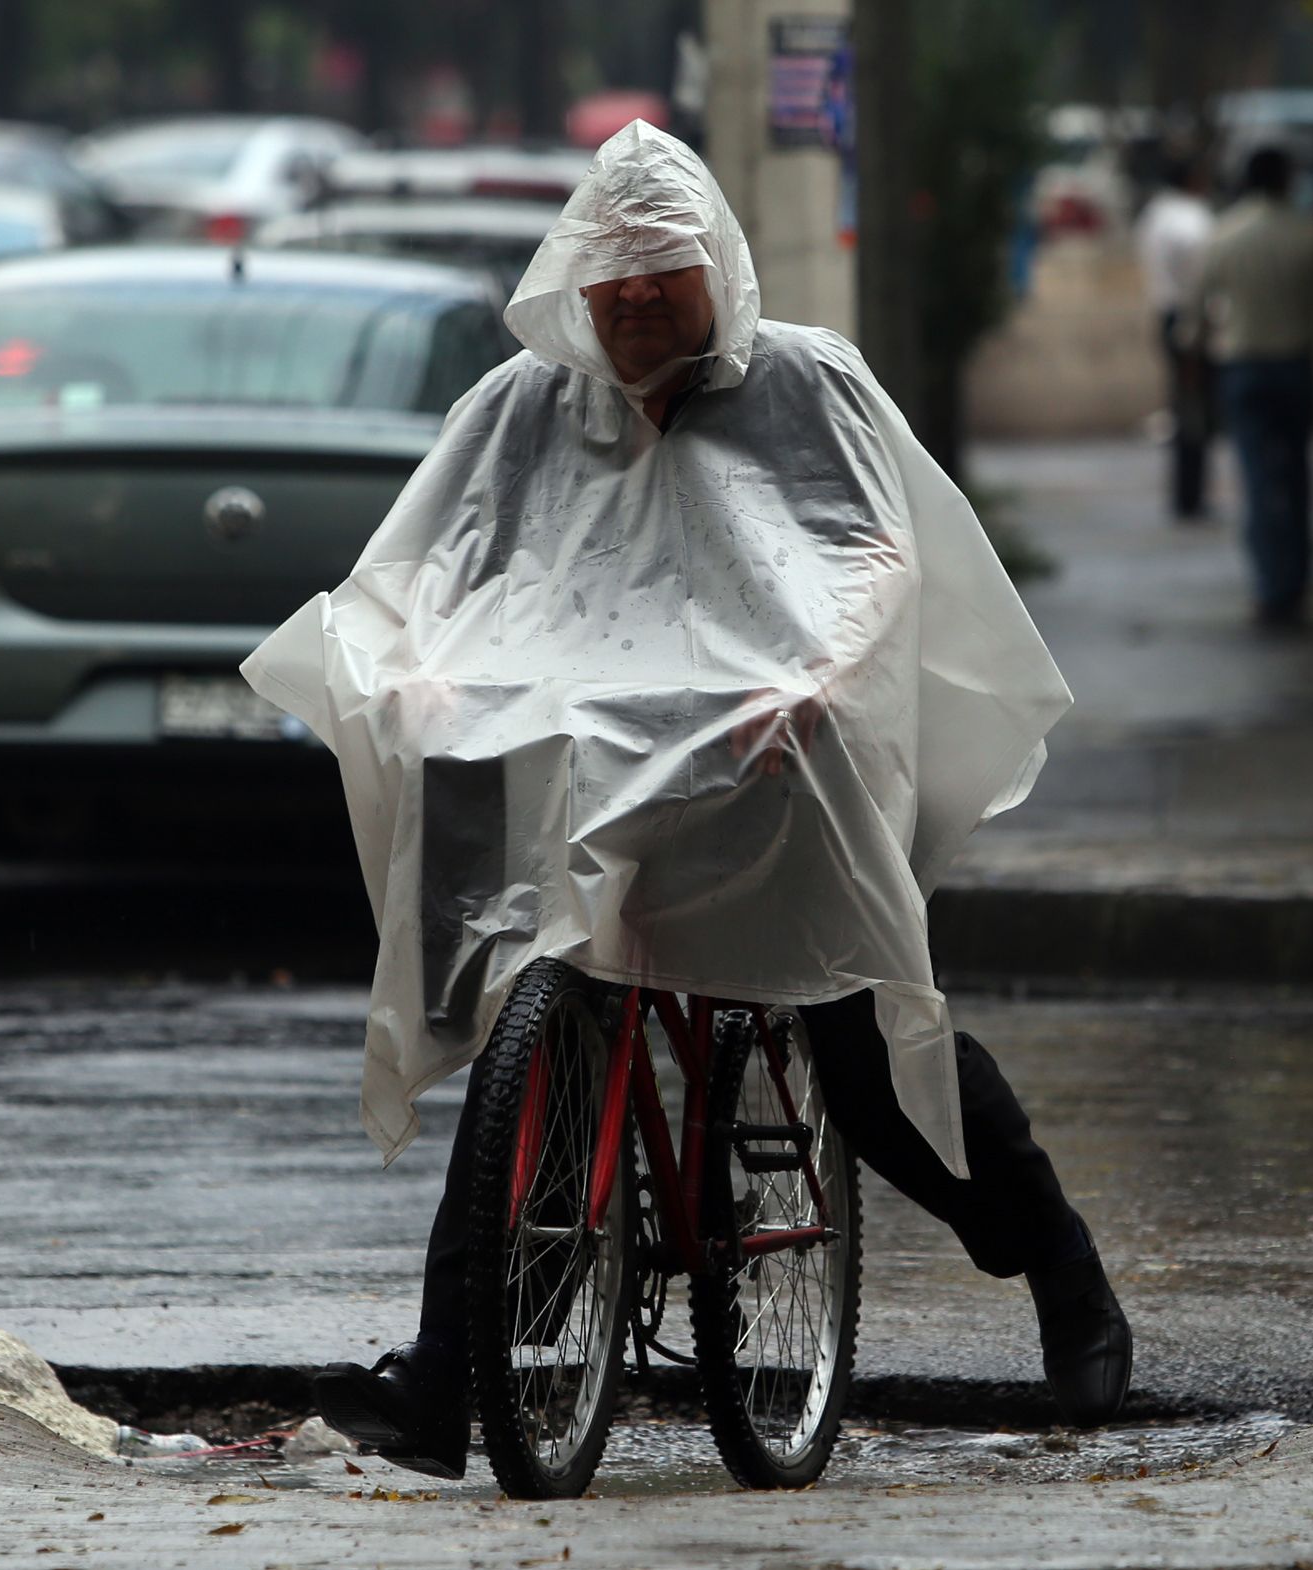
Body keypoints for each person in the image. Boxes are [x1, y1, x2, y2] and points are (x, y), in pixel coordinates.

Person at [244, 122, 1131, 1481]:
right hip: (569, 761)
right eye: (614, 272)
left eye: (664, 267)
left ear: (718, 267)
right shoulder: (524, 406)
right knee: (521, 1030)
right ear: (575, 280)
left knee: (863, 1058)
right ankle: (446, 1372)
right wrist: (412, 674)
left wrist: (817, 681)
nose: (638, 296)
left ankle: (1060, 1270)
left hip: (764, 761)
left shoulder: (807, 384)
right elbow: (427, 567)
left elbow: (874, 559)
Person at [1187, 145, 1313, 626]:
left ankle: (1269, 587)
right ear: (1287, 180)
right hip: (1295, 368)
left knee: (1257, 480)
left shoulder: (1225, 234)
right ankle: (1297, 581)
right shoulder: (1310, 234)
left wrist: (1195, 372)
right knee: (1297, 475)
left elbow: (1196, 317)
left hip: (1243, 371)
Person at [1133, 154, 1215, 520]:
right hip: (1190, 317)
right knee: (1194, 409)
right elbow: (1199, 269)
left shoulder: (1155, 214)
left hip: (1167, 312)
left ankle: (1187, 495)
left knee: (1185, 406)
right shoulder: (1190, 217)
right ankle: (1191, 497)